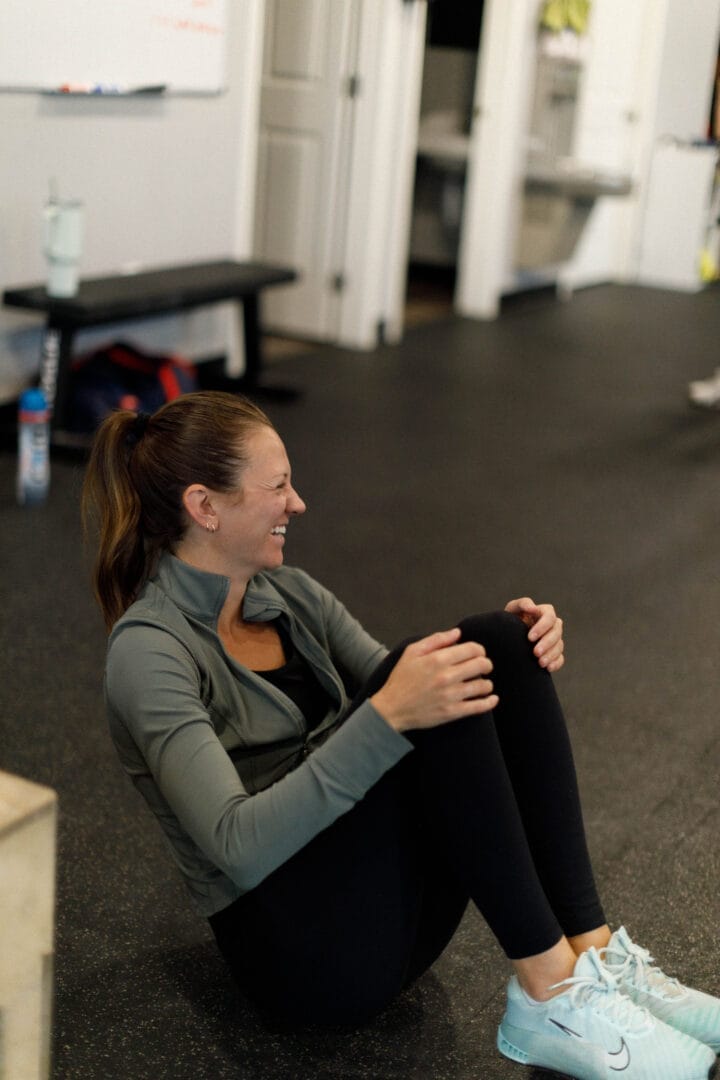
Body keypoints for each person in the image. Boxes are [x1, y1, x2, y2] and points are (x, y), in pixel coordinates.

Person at [82, 391, 720, 1080]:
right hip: (301, 959)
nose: (297, 503)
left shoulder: (290, 594)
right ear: (205, 507)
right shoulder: (149, 652)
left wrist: (513, 656)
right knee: (427, 692)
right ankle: (552, 993)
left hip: (387, 918)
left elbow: (421, 695)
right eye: (278, 486)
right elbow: (237, 846)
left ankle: (594, 960)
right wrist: (393, 716)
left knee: (493, 646)